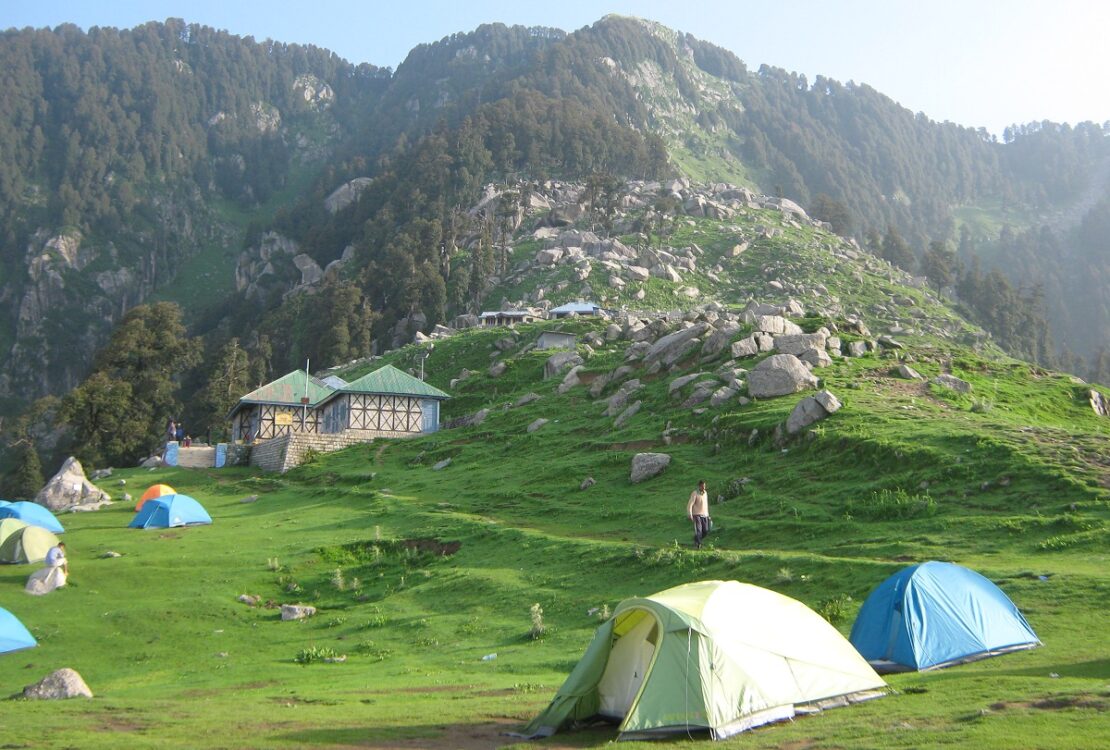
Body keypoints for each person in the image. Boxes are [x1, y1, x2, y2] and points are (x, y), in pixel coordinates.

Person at [687, 480, 711, 549]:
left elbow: (706, 505)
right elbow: (690, 504)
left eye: (705, 486)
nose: (704, 488)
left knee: (706, 531)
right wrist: (689, 513)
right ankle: (698, 545)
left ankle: (696, 539)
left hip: (705, 515)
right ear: (699, 486)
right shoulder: (695, 493)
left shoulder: (705, 493)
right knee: (699, 530)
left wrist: (708, 515)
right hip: (697, 515)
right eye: (703, 486)